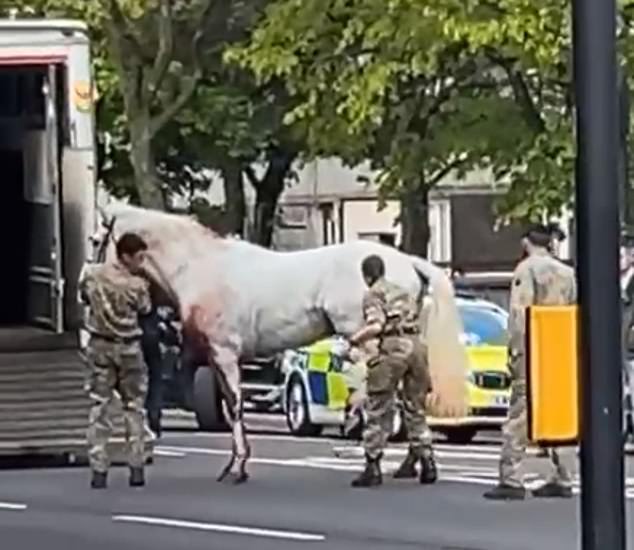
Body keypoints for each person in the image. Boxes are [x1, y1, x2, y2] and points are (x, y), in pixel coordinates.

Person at [484, 224, 577, 500]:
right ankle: (564, 475)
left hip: (533, 344)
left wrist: (514, 351)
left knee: (521, 410)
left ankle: (511, 477)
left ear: (526, 242)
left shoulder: (527, 270)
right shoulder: (567, 272)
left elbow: (519, 314)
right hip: (560, 346)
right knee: (559, 411)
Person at [348, 254, 436, 487]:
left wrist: (355, 339)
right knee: (415, 406)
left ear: (367, 276)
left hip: (394, 348)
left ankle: (372, 465)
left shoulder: (373, 294)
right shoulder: (402, 291)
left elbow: (376, 324)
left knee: (378, 406)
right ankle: (427, 460)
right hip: (417, 347)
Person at [79, 232, 152, 489]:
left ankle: (98, 468)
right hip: (130, 348)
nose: (142, 263)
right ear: (126, 256)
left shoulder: (93, 275)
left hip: (99, 346)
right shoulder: (137, 285)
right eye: (139, 258)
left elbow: (84, 297)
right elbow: (145, 309)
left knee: (99, 406)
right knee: (134, 407)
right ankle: (136, 465)